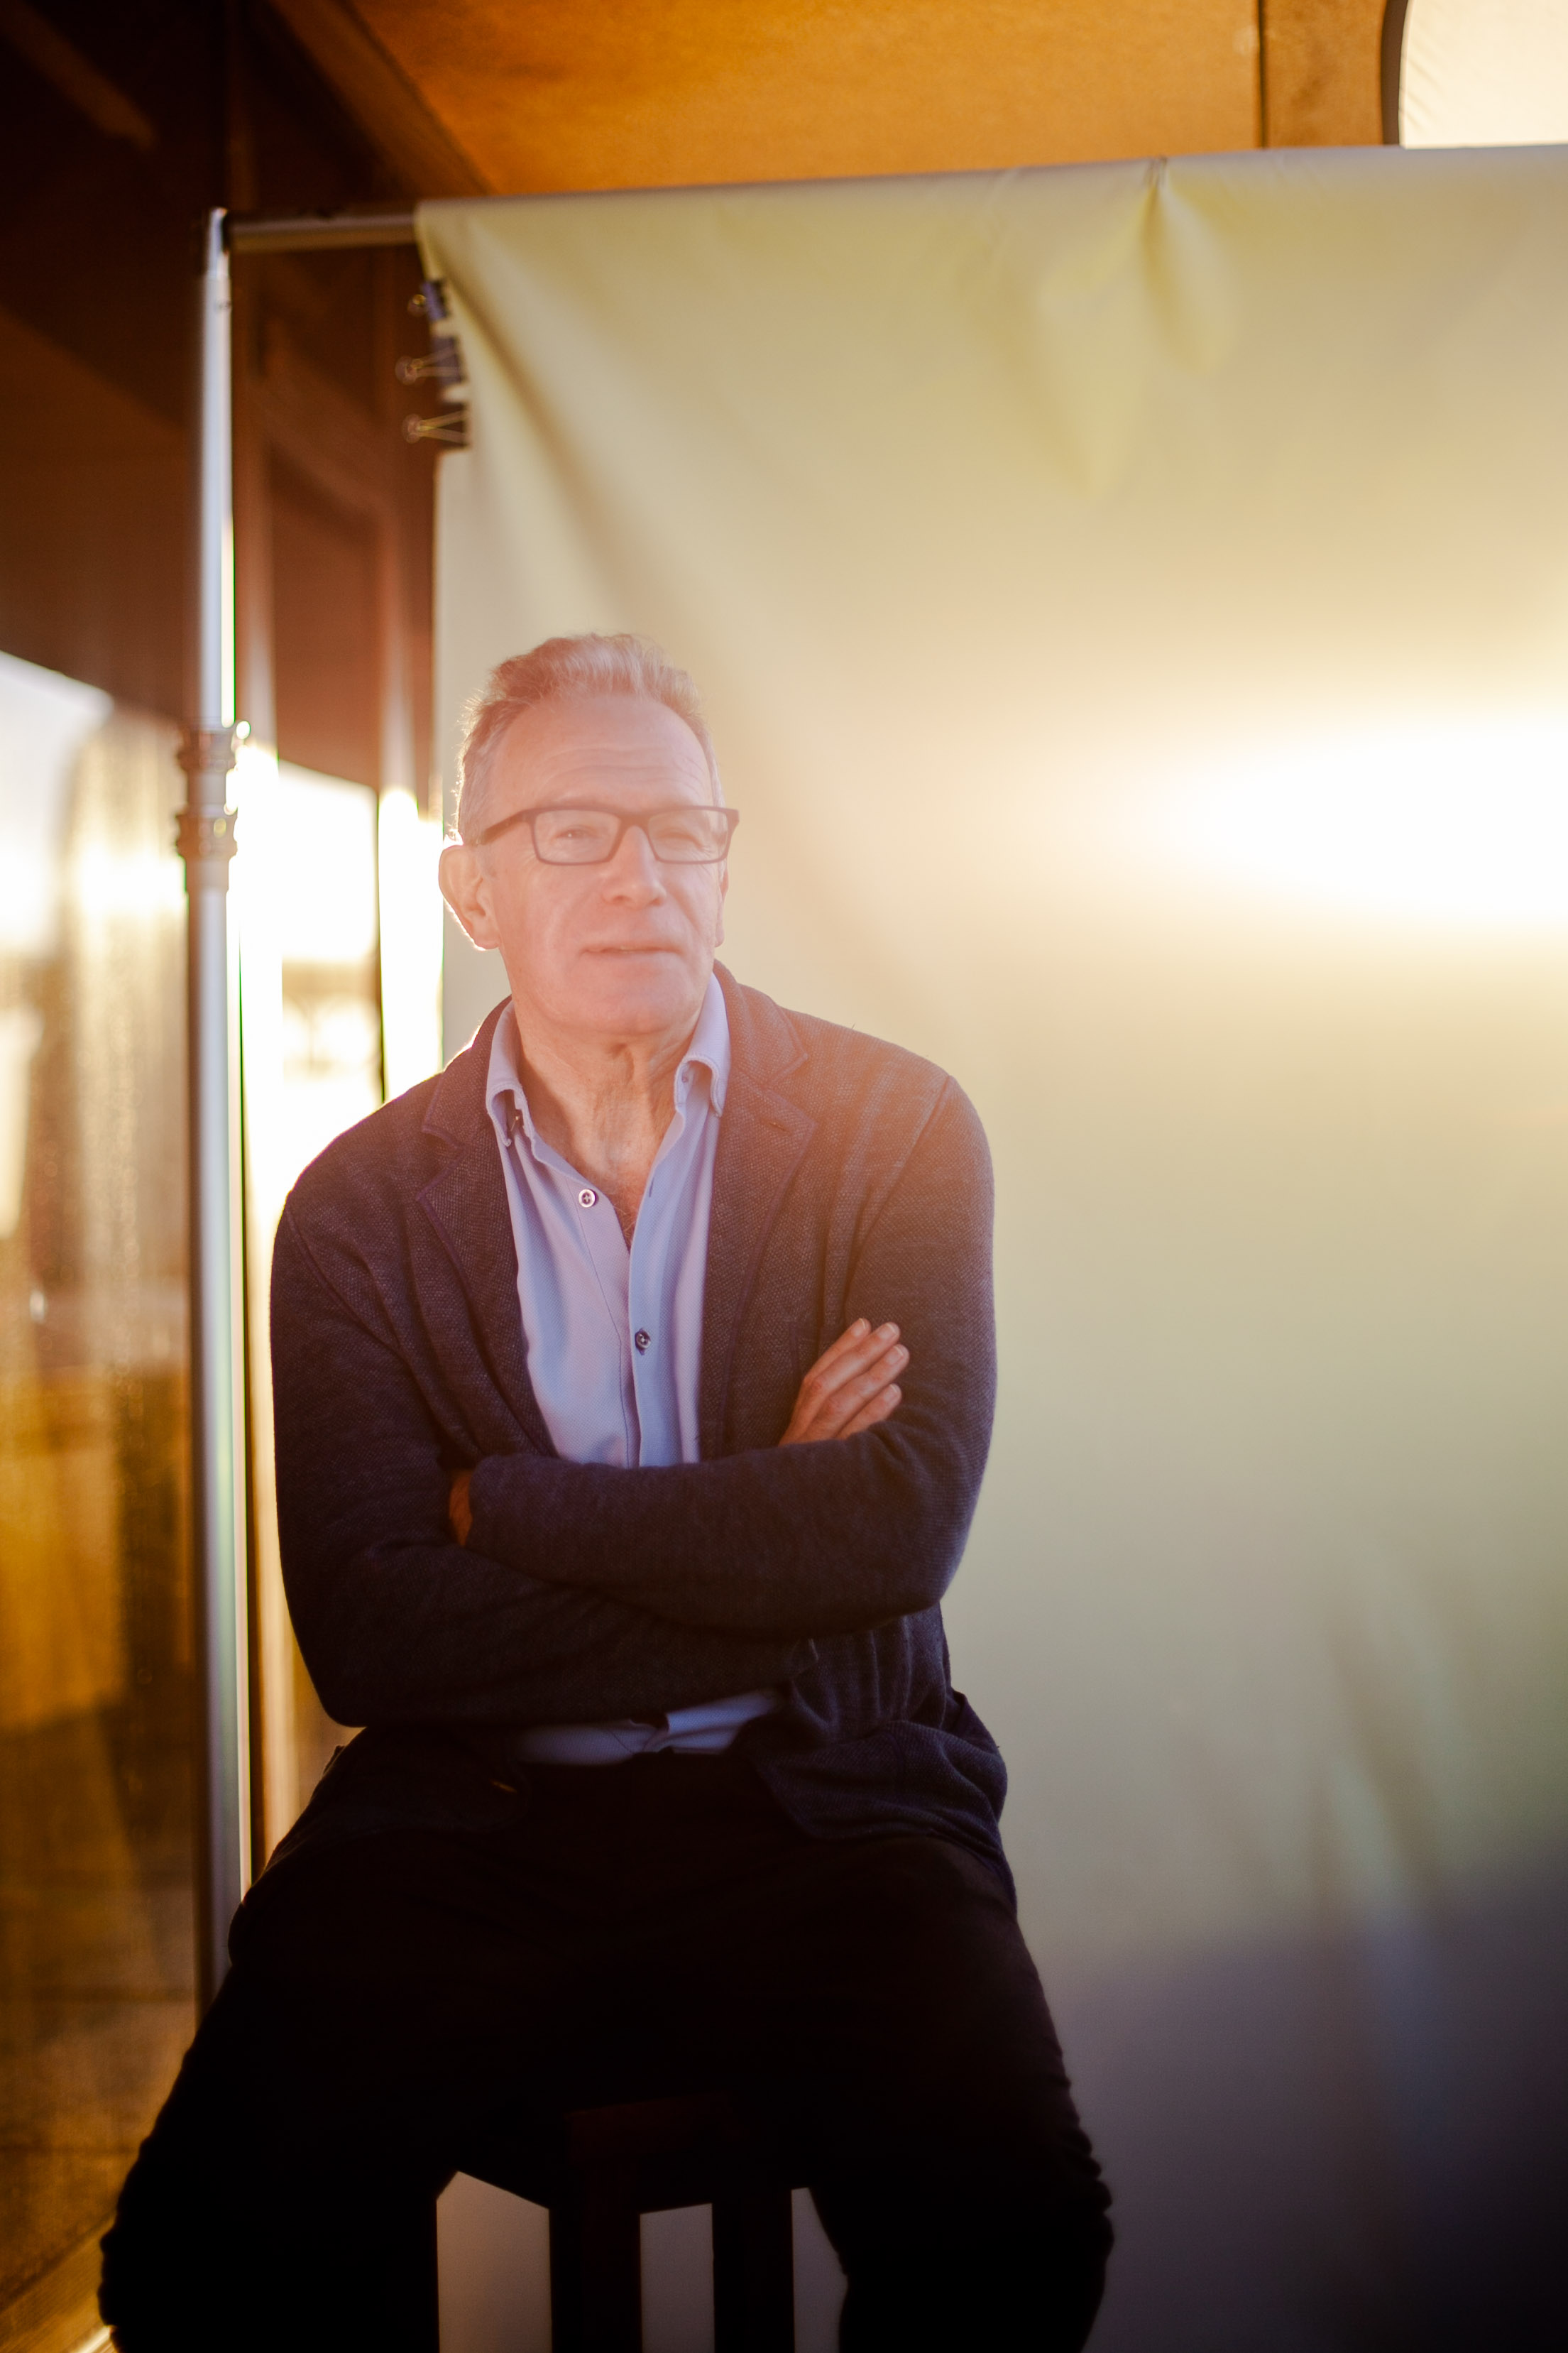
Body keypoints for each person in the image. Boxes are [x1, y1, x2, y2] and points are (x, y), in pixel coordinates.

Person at [100, 633, 1111, 2349]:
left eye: (679, 831)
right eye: (573, 831)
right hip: (475, 1827)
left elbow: (895, 1532)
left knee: (1014, 2248)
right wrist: (769, 1529)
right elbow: (374, 1637)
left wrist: (509, 1508)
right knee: (202, 2274)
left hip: (827, 1806)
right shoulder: (355, 1212)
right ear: (471, 891)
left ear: (723, 861)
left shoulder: (895, 1130)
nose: (638, 875)